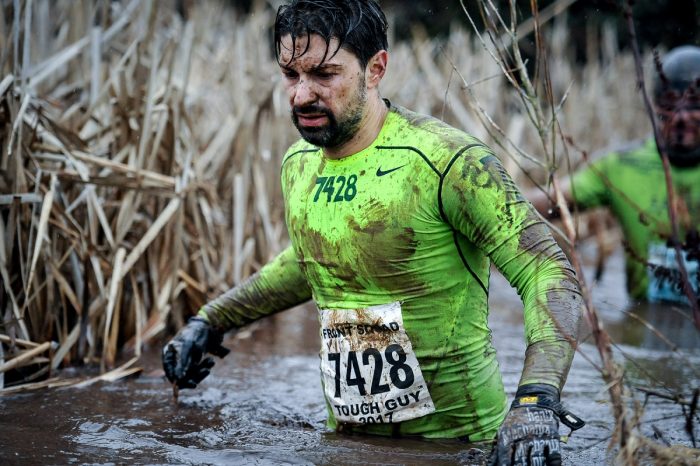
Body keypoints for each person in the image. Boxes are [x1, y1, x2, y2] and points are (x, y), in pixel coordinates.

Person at [162, 1, 585, 464]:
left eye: (325, 74)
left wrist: (535, 402)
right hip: (345, 447)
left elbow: (548, 270)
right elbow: (311, 264)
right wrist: (211, 320)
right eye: (290, 75)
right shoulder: (298, 165)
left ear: (375, 68)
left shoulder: (448, 161)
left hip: (461, 449)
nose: (302, 95)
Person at [530, 45, 700, 307]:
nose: (681, 117)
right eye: (670, 102)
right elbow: (550, 200)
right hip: (646, 321)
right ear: (655, 105)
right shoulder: (621, 167)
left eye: (694, 104)